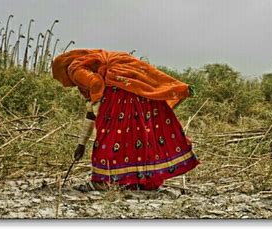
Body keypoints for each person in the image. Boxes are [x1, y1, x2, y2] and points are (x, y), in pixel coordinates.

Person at [52, 49, 199, 191]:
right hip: (140, 92)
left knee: (108, 138)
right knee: (138, 138)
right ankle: (137, 181)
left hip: (119, 95)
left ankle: (102, 182)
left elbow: (96, 84)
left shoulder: (74, 68)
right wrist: (81, 144)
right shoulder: (98, 59)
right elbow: (91, 114)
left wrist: (98, 104)